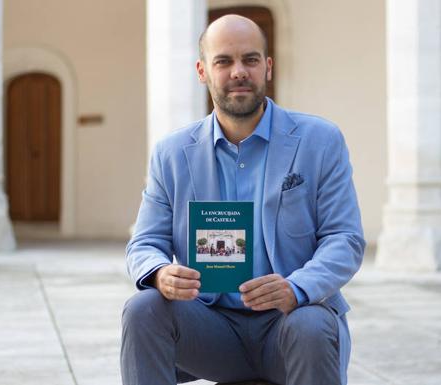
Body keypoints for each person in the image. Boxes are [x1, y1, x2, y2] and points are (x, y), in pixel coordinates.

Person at [121, 14, 365, 385]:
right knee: (143, 308)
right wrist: (159, 273)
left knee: (313, 323)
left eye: (250, 60)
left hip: (291, 325)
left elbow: (344, 239)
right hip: (210, 331)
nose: (239, 72)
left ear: (267, 68)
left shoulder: (321, 140)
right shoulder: (171, 154)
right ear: (202, 71)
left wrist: (297, 288)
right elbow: (144, 243)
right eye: (224, 61)